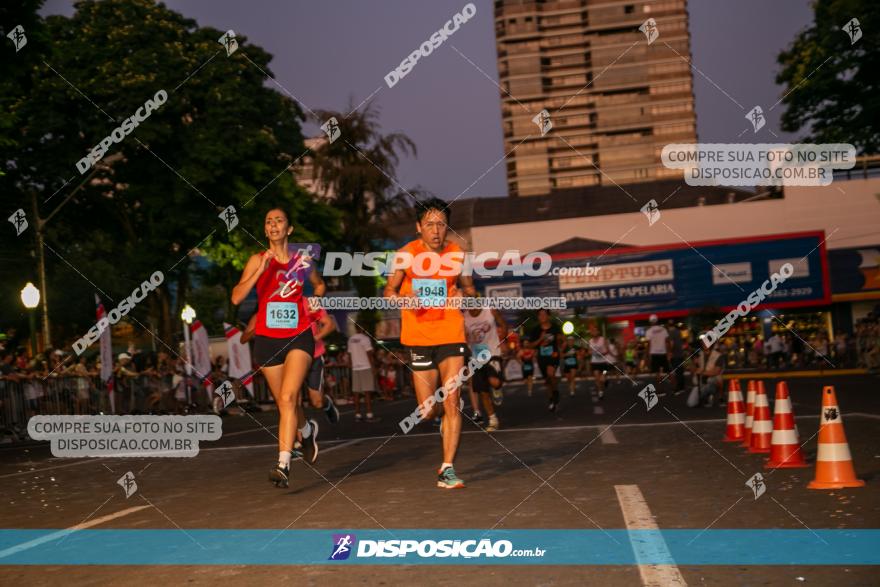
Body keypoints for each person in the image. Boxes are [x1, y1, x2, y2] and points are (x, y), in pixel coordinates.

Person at [384, 197, 475, 489]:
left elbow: (472, 297)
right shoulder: (405, 255)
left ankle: (447, 468)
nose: (436, 230)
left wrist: (466, 297)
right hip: (418, 337)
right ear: (418, 227)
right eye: (429, 224)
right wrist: (402, 299)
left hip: (451, 333)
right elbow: (388, 291)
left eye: (441, 224)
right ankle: (435, 416)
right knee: (426, 410)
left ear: (447, 226)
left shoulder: (458, 254)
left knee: (452, 400)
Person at [230, 207, 324, 489]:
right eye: (268, 221)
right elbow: (236, 298)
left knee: (286, 398)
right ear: (265, 230)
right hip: (267, 340)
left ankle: (282, 464)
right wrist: (259, 270)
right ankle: (306, 431)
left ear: (289, 229)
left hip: (298, 335)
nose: (273, 224)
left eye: (279, 220)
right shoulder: (256, 260)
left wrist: (315, 300)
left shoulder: (303, 260)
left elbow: (319, 285)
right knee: (290, 403)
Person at [464, 305, 508, 432]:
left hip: (493, 353)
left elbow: (503, 324)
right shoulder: (464, 317)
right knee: (483, 391)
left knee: (495, 382)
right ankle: (493, 419)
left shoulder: (490, 310)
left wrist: (503, 341)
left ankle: (497, 389)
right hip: (476, 358)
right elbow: (463, 337)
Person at [525, 309, 562, 411]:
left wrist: (560, 341)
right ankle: (552, 398)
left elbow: (561, 339)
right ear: (538, 317)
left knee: (551, 374)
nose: (542, 316)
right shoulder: (536, 330)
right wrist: (540, 339)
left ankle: (555, 393)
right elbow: (531, 345)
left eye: (544, 314)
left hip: (553, 355)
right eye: (540, 315)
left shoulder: (555, 327)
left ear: (548, 316)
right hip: (542, 358)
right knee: (547, 380)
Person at [347, 324, 378, 422]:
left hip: (356, 368)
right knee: (367, 392)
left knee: (356, 393)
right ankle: (369, 415)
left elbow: (349, 354)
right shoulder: (365, 339)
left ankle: (357, 415)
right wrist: (373, 367)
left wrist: (351, 365)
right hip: (365, 366)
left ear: (356, 328)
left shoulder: (351, 339)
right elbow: (369, 354)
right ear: (362, 328)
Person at [691, 333, 725, 407]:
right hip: (701, 380)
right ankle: (705, 396)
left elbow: (716, 371)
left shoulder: (718, 355)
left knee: (713, 380)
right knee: (691, 403)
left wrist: (702, 372)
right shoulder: (699, 354)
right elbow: (693, 370)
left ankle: (720, 397)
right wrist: (694, 364)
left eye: (707, 342)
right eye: (703, 343)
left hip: (713, 378)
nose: (705, 344)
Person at [645, 315, 671, 395]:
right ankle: (675, 389)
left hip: (654, 353)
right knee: (669, 372)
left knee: (657, 373)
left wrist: (647, 355)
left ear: (650, 321)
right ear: (657, 321)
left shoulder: (649, 331)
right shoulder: (663, 330)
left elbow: (648, 344)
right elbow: (667, 342)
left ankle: (660, 391)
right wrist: (669, 352)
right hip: (663, 353)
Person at [587, 325, 610, 400]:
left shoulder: (603, 339)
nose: (594, 332)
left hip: (603, 362)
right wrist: (592, 353)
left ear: (598, 332)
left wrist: (602, 353)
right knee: (597, 378)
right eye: (592, 331)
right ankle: (600, 392)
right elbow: (589, 351)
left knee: (602, 379)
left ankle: (605, 380)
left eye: (595, 330)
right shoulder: (590, 341)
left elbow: (607, 350)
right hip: (595, 362)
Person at [667, 320, 685, 396]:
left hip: (675, 354)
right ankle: (682, 387)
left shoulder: (670, 332)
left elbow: (671, 343)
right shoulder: (678, 331)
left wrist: (670, 352)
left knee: (676, 372)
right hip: (680, 353)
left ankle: (677, 388)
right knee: (680, 371)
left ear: (668, 326)